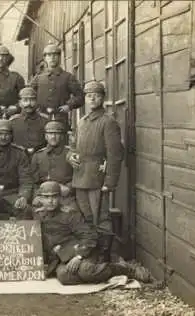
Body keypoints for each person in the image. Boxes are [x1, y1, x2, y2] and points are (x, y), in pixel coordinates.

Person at [33, 181, 150, 285]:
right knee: (64, 276)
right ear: (40, 198)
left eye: (54, 197)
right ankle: (99, 274)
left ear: (60, 198)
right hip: (62, 257)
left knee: (86, 271)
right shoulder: (38, 215)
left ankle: (125, 269)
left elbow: (89, 236)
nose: (50, 201)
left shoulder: (70, 214)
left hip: (82, 252)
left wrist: (79, 256)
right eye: (46, 197)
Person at [67, 81, 124, 263]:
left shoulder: (108, 122)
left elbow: (115, 155)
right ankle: (90, 254)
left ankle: (103, 258)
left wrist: (109, 182)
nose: (92, 98)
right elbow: (73, 147)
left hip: (97, 178)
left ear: (103, 98)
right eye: (89, 95)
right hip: (80, 176)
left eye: (97, 95)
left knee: (101, 218)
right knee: (86, 217)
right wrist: (71, 156)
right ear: (84, 98)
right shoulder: (82, 121)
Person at [30, 40, 84, 127]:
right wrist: (35, 108)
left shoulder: (68, 77)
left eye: (55, 55)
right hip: (40, 119)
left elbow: (80, 96)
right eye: (49, 55)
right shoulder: (38, 78)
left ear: (59, 57)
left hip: (60, 119)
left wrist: (69, 106)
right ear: (45, 58)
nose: (52, 58)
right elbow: (28, 94)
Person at [30, 120, 77, 211]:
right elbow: (33, 181)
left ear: (62, 136)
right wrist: (37, 196)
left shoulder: (70, 154)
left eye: (57, 134)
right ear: (46, 136)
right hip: (44, 197)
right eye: (50, 133)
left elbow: (79, 176)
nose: (53, 137)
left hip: (65, 196)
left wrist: (69, 188)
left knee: (72, 213)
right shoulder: (38, 155)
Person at [9, 86, 48, 156]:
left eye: (32, 100)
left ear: (36, 102)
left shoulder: (45, 121)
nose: (29, 104)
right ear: (20, 103)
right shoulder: (12, 122)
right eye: (25, 100)